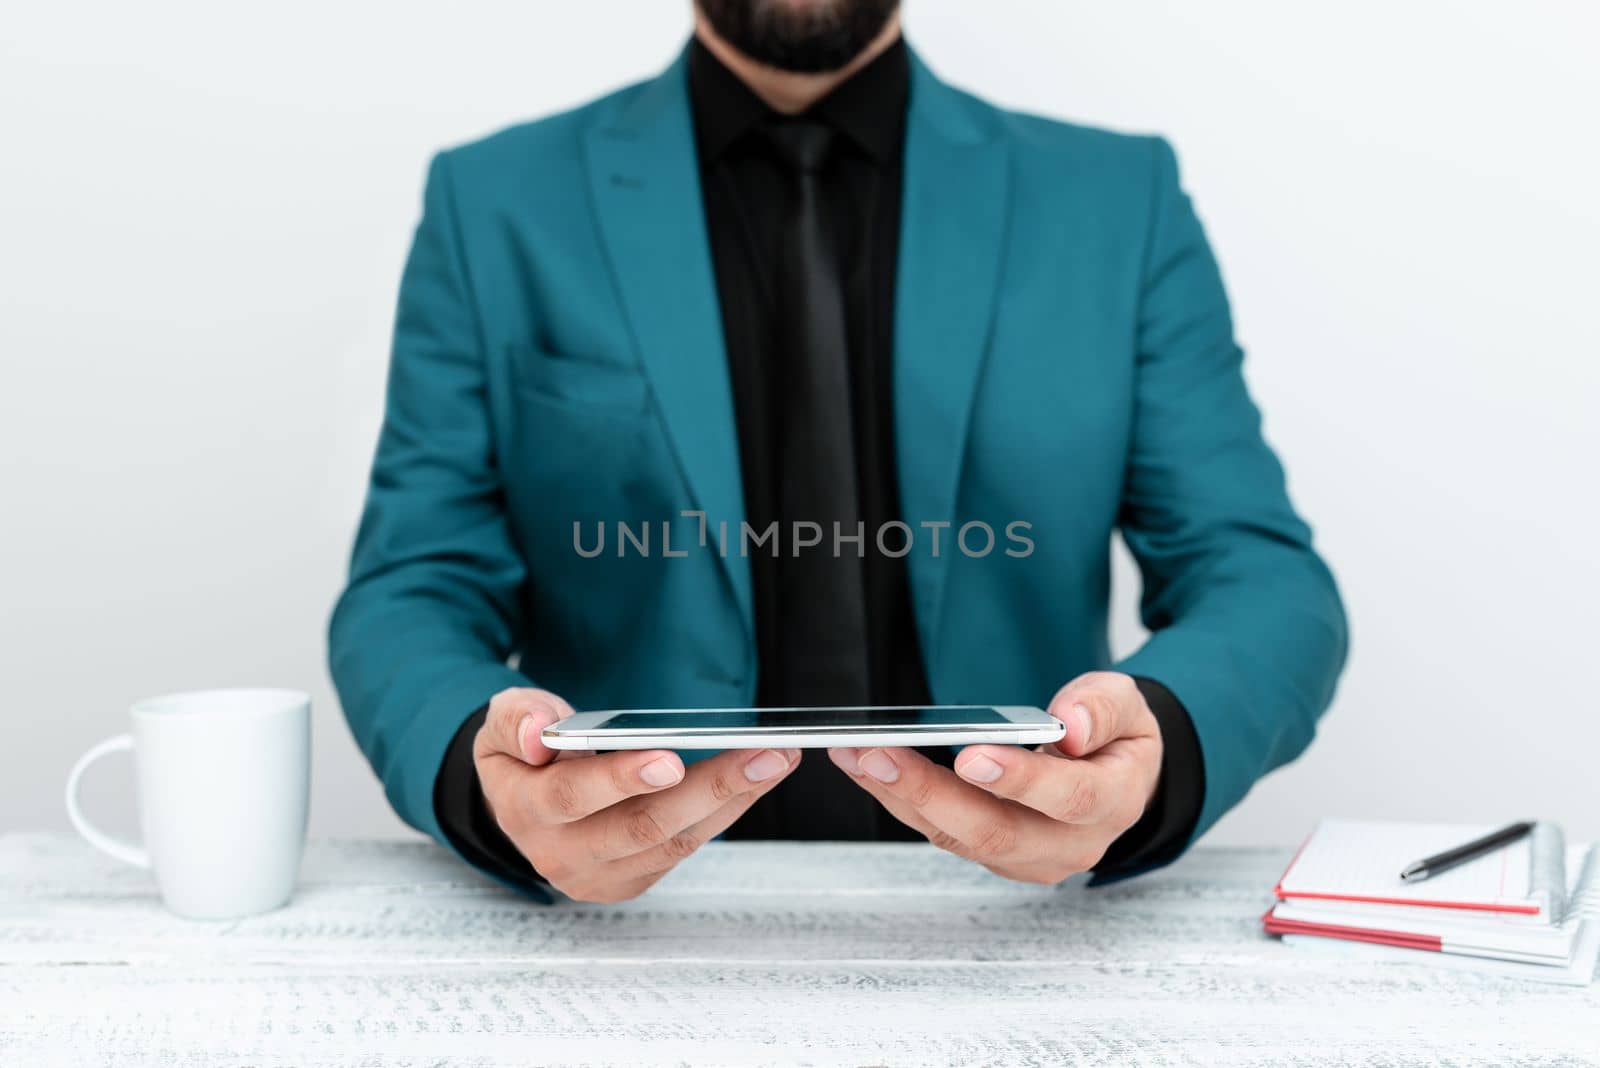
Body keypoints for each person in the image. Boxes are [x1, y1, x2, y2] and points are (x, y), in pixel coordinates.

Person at [329, 0, 1347, 903]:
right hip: (632, 932)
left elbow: (1258, 577)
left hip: (1014, 927)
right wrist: (480, 774)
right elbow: (408, 589)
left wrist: (1152, 752)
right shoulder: (494, 204)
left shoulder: (1117, 201)